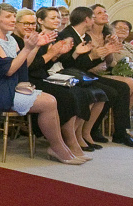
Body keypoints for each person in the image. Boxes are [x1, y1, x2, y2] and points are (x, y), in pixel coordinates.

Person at [0, 4, 85, 164]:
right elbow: (9, 71)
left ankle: (59, 146)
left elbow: (24, 64)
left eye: (14, 16)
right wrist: (28, 48)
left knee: (51, 99)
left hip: (8, 86)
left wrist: (36, 46)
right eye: (8, 16)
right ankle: (58, 147)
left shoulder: (10, 39)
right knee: (48, 102)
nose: (13, 19)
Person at [13, 11, 100, 156]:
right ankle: (67, 140)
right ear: (16, 24)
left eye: (32, 23)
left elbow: (43, 66)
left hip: (40, 77)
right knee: (68, 96)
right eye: (26, 23)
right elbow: (27, 67)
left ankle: (70, 137)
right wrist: (52, 54)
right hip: (25, 81)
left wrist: (57, 55)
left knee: (81, 93)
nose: (30, 26)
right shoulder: (15, 40)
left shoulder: (35, 37)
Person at [56, 7, 133, 148]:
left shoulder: (85, 37)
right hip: (72, 74)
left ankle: (117, 132)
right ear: (87, 20)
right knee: (109, 91)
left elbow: (88, 63)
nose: (95, 19)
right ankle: (85, 132)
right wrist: (94, 55)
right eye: (94, 16)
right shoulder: (67, 35)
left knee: (121, 88)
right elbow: (70, 64)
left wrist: (104, 52)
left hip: (84, 73)